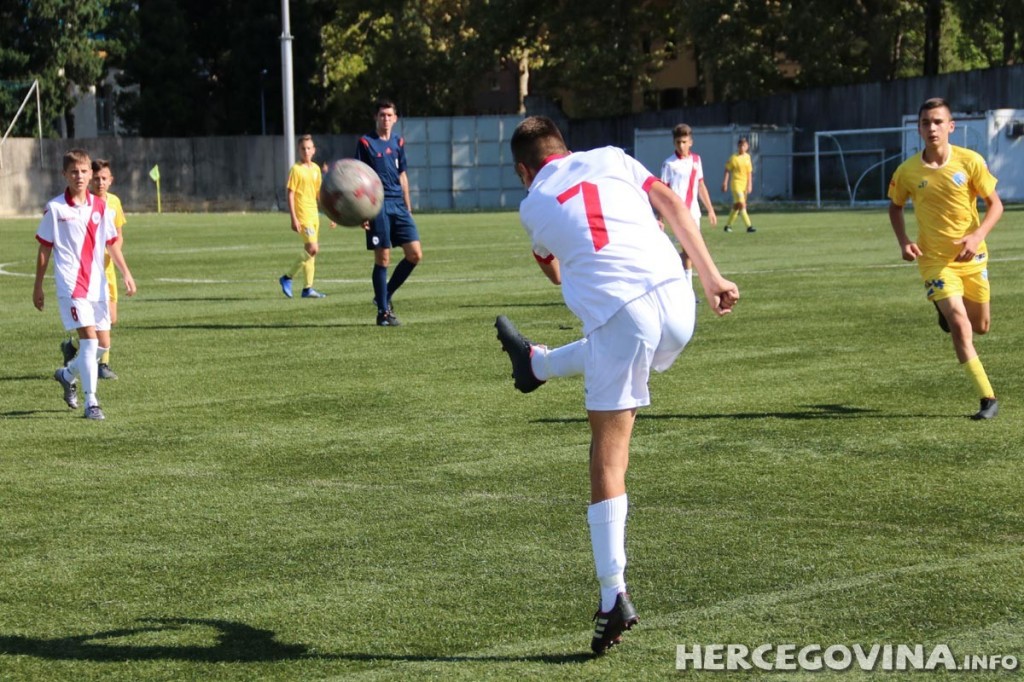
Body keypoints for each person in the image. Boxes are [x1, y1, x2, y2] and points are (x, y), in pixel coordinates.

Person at [495, 116, 739, 655]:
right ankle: (535, 365)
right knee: (617, 351)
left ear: (522, 169)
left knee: (607, 460)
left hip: (624, 316)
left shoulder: (532, 205)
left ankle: (613, 596)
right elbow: (674, 206)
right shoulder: (611, 156)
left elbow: (555, 271)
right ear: (567, 147)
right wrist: (713, 276)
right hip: (680, 303)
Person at [888, 97, 1003, 420]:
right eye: (926, 122)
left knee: (980, 326)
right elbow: (895, 205)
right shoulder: (908, 171)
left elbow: (996, 205)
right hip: (934, 261)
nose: (932, 128)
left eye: (938, 122)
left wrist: (977, 235)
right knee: (960, 324)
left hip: (972, 257)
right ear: (919, 129)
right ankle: (987, 398)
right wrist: (904, 241)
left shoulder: (970, 162)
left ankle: (948, 312)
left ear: (951, 126)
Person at [34, 149, 137, 420]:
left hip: (97, 285)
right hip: (71, 285)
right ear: (64, 175)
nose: (79, 176)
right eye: (73, 172)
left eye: (83, 171)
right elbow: (44, 249)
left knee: (103, 345)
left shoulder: (102, 207)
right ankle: (92, 403)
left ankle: (67, 375)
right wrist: (38, 286)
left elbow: (111, 242)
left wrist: (125, 272)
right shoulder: (56, 208)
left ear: (90, 174)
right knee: (90, 343)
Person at [355, 98, 422, 326]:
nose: (385, 119)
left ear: (395, 119)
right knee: (383, 258)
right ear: (376, 117)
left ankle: (383, 295)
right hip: (377, 205)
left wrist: (408, 206)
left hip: (398, 205)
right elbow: (358, 178)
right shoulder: (366, 143)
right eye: (382, 115)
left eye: (389, 115)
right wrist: (363, 212)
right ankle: (383, 313)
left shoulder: (398, 142)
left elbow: (402, 174)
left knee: (415, 254)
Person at [61, 159, 128, 379]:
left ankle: (74, 355)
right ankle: (102, 366)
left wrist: (120, 265)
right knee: (94, 325)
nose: (100, 182)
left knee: (111, 320)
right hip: (86, 273)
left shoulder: (114, 203)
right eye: (96, 178)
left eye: (104, 178)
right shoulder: (85, 205)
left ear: (111, 180)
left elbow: (117, 236)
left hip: (107, 271)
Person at [660, 123, 718, 279]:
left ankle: (671, 268)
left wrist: (710, 209)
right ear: (674, 143)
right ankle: (688, 288)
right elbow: (662, 192)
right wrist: (660, 218)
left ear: (690, 142)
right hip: (677, 213)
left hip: (694, 212)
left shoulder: (696, 160)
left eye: (684, 142)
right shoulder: (669, 164)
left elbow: (700, 185)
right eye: (678, 142)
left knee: (691, 253)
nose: (681, 145)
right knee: (689, 250)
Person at [278, 134, 329, 299]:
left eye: (309, 148)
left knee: (310, 251)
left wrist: (330, 213)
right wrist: (293, 217)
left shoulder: (315, 169)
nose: (306, 151)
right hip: (302, 214)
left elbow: (318, 194)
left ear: (313, 150)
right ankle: (287, 277)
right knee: (313, 248)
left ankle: (308, 288)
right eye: (303, 149)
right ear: (299, 150)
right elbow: (290, 194)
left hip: (314, 214)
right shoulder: (296, 169)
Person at [721, 137, 755, 233]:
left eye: (744, 146)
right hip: (736, 184)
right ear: (738, 147)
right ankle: (749, 226)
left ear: (747, 146)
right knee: (742, 203)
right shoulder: (733, 158)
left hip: (744, 185)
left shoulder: (748, 157)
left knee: (737, 206)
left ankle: (728, 226)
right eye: (740, 146)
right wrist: (725, 182)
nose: (742, 148)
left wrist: (749, 185)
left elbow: (749, 173)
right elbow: (727, 170)